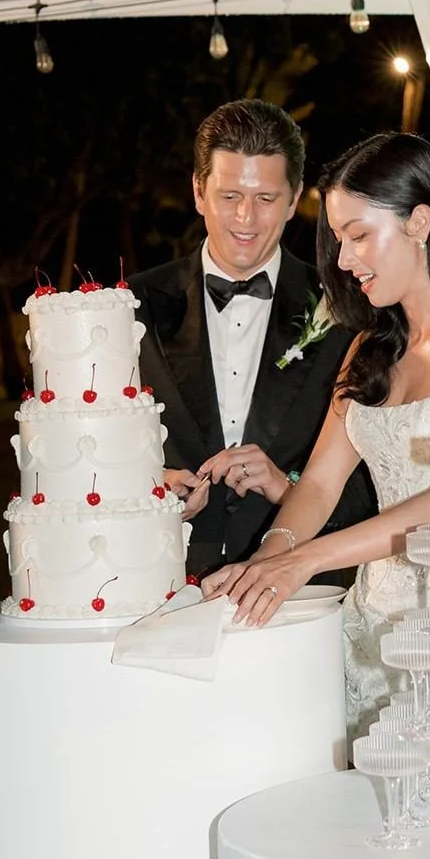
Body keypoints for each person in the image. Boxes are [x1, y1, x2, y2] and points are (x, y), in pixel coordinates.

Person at [202, 132, 430, 741]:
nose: (342, 259)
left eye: (358, 235)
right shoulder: (369, 350)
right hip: (369, 624)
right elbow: (317, 485)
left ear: (420, 221)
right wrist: (267, 562)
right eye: (338, 238)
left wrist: (304, 562)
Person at [129, 99, 375, 577]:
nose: (245, 218)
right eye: (228, 197)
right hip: (158, 581)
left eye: (265, 199)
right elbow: (87, 457)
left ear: (295, 197)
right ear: (199, 192)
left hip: (301, 589)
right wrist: (147, 488)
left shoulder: (349, 312)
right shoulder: (130, 307)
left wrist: (289, 486)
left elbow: (379, 486)